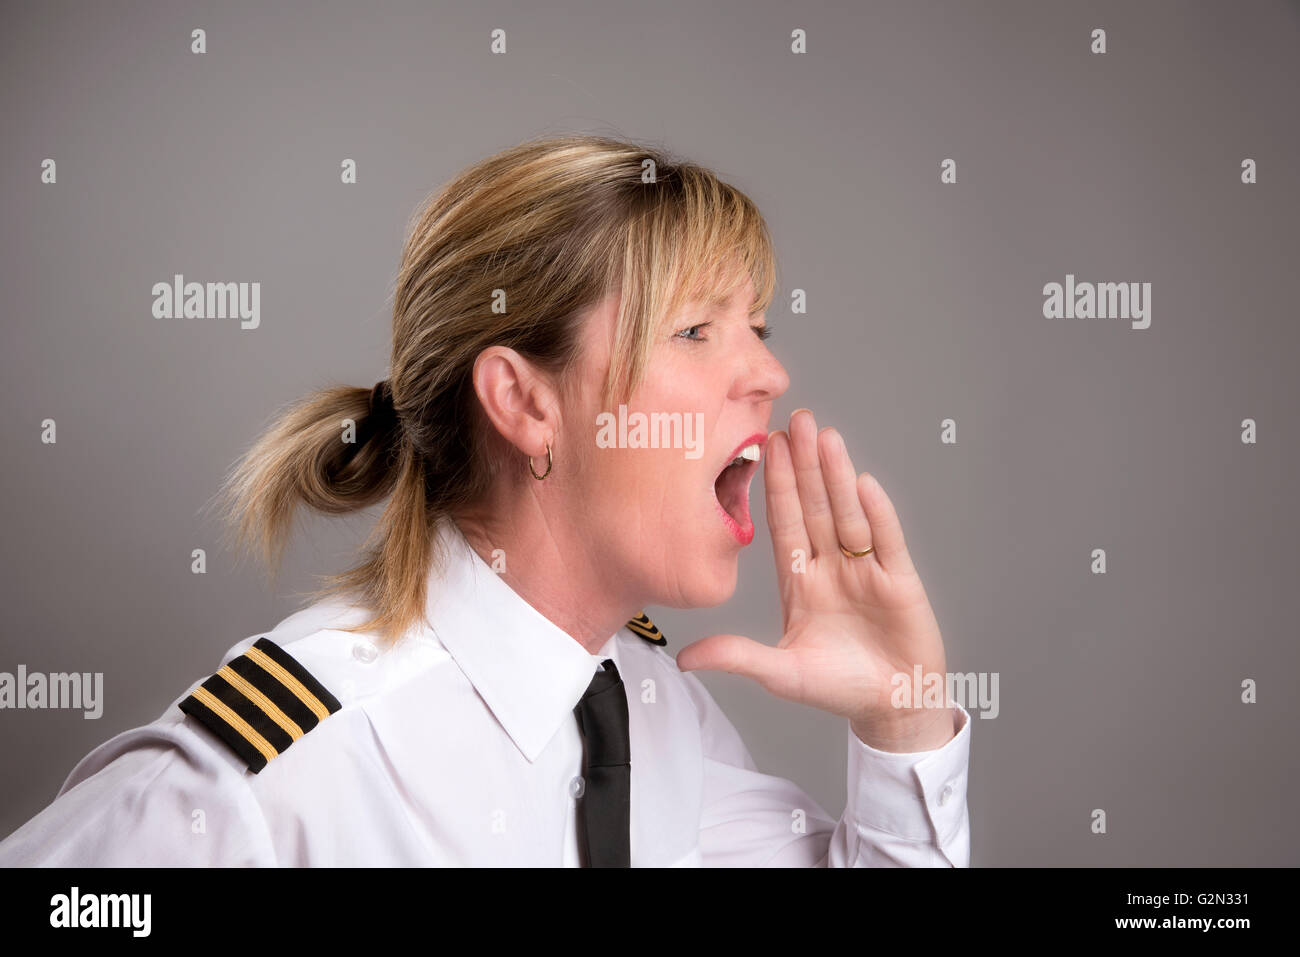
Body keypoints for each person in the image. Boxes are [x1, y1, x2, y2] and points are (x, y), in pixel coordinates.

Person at [0, 133, 970, 867]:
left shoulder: (643, 711)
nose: (767, 370)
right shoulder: (262, 784)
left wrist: (902, 723)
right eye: (695, 332)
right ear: (523, 401)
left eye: (753, 326)